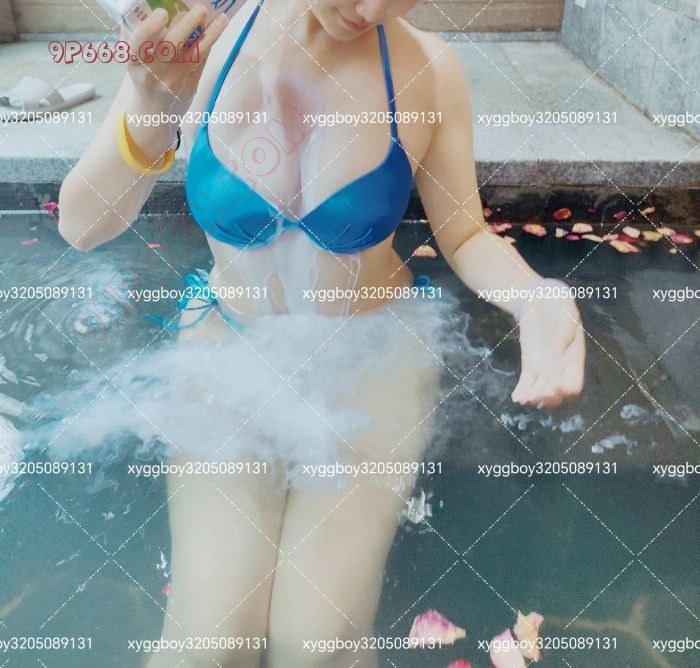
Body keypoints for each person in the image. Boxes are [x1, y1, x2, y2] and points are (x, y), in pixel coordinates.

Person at [58, 0, 585, 665]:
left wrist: (537, 299)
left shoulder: (428, 70)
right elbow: (81, 224)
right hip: (229, 349)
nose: (370, 9)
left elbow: (464, 233)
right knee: (208, 648)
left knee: (316, 646)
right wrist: (150, 101)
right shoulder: (203, 37)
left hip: (373, 352)